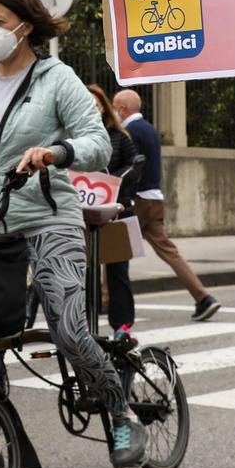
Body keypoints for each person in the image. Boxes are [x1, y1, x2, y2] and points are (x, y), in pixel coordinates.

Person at [0, 0, 147, 468]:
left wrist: (56, 153)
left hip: (50, 219)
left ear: (25, 26)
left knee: (70, 331)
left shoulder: (56, 78)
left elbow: (98, 140)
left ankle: (121, 411)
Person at [113, 89, 221, 322]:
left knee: (114, 250)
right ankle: (203, 297)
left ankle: (105, 299)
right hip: (155, 198)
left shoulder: (129, 131)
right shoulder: (150, 129)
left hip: (138, 200)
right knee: (169, 253)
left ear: (122, 109)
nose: (113, 112)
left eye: (114, 107)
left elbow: (131, 169)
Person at [90, 84, 139, 338]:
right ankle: (85, 320)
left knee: (117, 270)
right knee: (83, 268)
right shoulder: (73, 139)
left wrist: (113, 183)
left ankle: (122, 325)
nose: (92, 109)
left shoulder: (120, 137)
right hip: (84, 214)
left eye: (95, 104)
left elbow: (135, 165)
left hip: (118, 211)